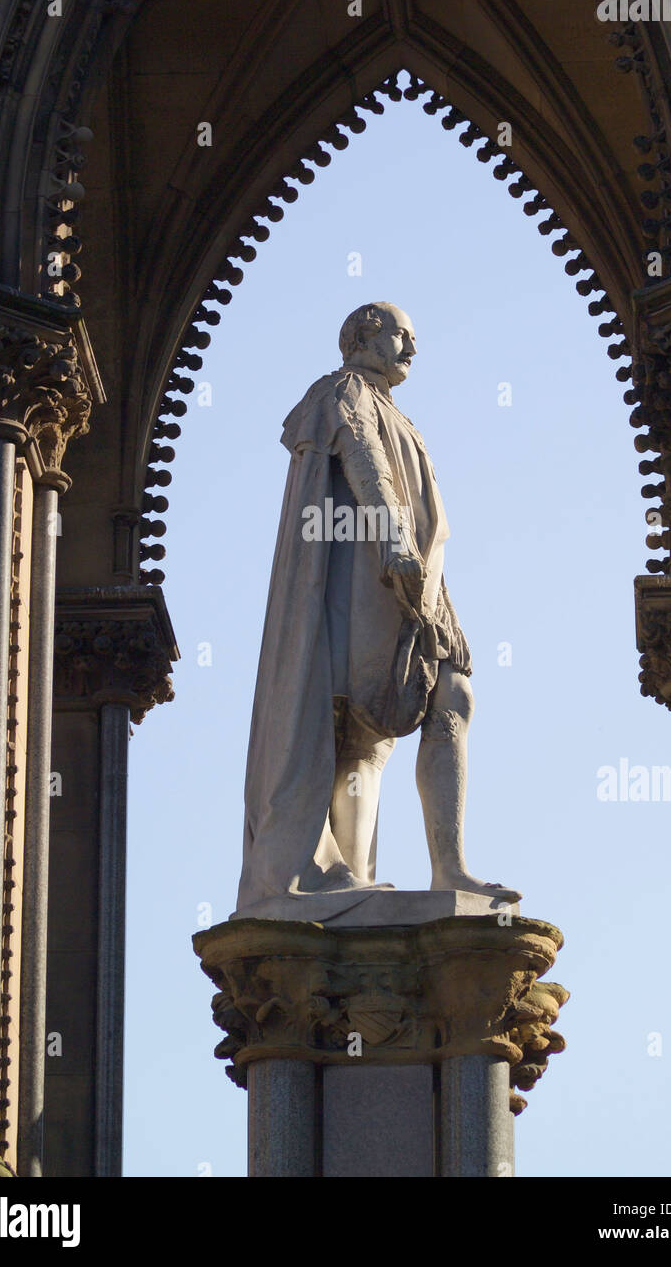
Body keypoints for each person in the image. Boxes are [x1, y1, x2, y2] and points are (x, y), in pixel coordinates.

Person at [237, 301, 518, 910]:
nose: (412, 349)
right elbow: (367, 465)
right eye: (401, 336)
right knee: (350, 730)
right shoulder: (342, 390)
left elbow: (425, 512)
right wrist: (394, 544)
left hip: (418, 588)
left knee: (453, 696)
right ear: (364, 335)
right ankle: (336, 872)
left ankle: (451, 868)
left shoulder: (401, 416)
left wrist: (439, 598)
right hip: (357, 583)